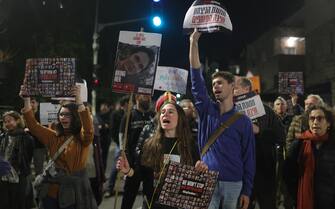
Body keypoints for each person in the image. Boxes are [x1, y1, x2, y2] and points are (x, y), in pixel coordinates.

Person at [189, 29, 255, 209]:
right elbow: (196, 78)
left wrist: (247, 191)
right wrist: (193, 42)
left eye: (220, 83)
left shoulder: (243, 121)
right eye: (213, 84)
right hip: (207, 180)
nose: (215, 86)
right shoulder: (206, 110)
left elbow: (249, 158)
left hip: (234, 184)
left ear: (232, 86)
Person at [20, 85, 98, 209]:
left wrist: (79, 102)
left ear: (75, 117)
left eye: (67, 115)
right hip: (51, 192)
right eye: (61, 114)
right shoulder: (53, 136)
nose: (63, 118)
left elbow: (88, 129)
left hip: (73, 194)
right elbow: (33, 126)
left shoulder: (82, 138)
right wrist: (26, 99)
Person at [117, 102, 205, 209]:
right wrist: (128, 171)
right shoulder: (149, 144)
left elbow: (196, 184)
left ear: (180, 118)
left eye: (170, 112)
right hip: (152, 204)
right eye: (162, 112)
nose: (165, 114)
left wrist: (199, 172)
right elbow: (140, 175)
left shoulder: (190, 146)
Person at [234, 77, 286, 209]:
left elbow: (281, 136)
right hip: (241, 171)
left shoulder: (266, 110)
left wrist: (260, 130)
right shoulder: (231, 112)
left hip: (264, 169)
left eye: (235, 88)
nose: (232, 91)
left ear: (246, 89)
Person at [291, 105, 335, 209]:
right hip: (305, 201)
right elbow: (289, 174)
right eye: (312, 118)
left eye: (320, 118)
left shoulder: (333, 143)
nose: (315, 122)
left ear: (328, 123)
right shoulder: (299, 144)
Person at [119, 94, 155, 209]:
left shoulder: (152, 115)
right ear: (137, 97)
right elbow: (122, 138)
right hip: (133, 164)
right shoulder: (129, 115)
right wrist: (125, 158)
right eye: (144, 95)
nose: (147, 98)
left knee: (150, 198)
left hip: (149, 164)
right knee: (129, 197)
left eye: (149, 95)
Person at [0, 110, 34, 209]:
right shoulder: (2, 137)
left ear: (18, 121)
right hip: (3, 176)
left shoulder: (27, 138)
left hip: (19, 176)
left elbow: (28, 157)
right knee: (4, 202)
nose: (7, 124)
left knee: (18, 203)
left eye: (9, 121)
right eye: (5, 121)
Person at [104, 96, 129, 198]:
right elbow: (113, 130)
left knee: (129, 167)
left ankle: (127, 188)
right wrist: (120, 143)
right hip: (120, 144)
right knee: (116, 166)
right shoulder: (116, 114)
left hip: (130, 145)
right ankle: (110, 188)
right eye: (129, 103)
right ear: (124, 104)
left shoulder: (131, 114)